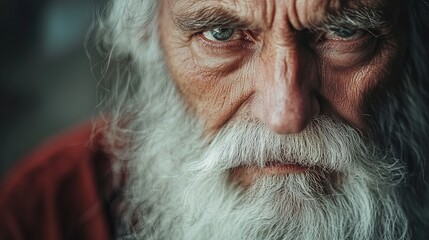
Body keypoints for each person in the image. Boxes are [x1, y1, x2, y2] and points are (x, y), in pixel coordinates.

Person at [1, 0, 429, 239]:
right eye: (220, 34)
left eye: (344, 32)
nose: (286, 114)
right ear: (148, 36)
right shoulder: (46, 215)